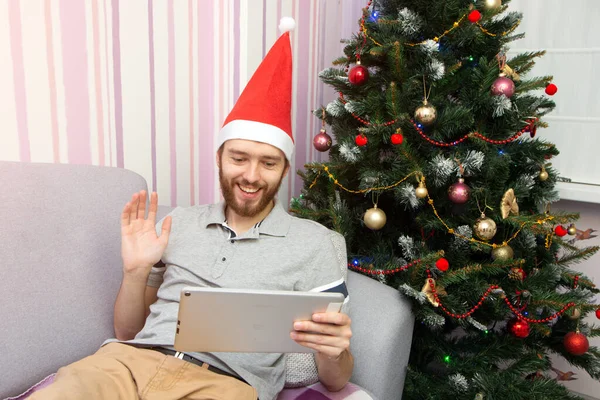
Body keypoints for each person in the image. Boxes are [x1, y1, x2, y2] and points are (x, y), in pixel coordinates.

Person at [30, 19, 353, 400]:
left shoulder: (316, 243)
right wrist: (136, 272)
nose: (251, 176)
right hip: (127, 365)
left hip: (225, 385)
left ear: (284, 169)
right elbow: (127, 334)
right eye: (238, 158)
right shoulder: (177, 223)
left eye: (268, 163)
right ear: (219, 158)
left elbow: (336, 379)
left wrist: (333, 349)